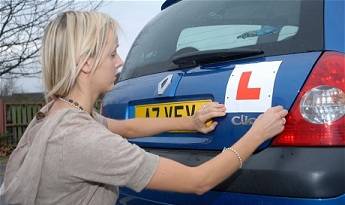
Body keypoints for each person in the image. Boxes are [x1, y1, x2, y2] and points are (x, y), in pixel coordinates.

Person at [1, 11, 288, 205]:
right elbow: (198, 181)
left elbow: (126, 127)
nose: (120, 62)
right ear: (85, 63)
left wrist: (191, 122)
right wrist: (257, 134)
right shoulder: (83, 140)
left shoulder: (59, 113)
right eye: (112, 53)